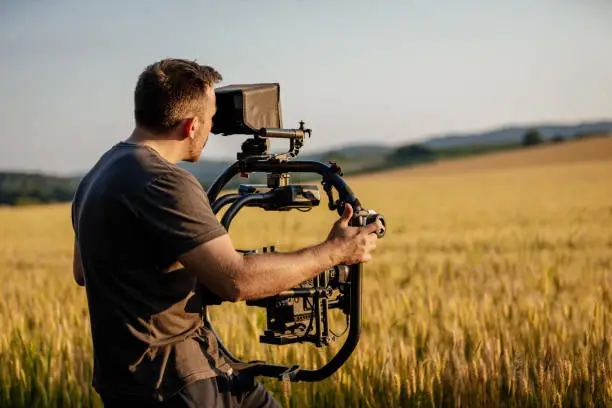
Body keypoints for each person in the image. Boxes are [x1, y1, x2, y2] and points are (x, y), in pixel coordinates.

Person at [71, 58, 382, 408]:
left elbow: (86, 272)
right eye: (211, 118)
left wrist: (191, 267)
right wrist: (335, 252)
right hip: (178, 385)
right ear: (190, 126)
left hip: (126, 384)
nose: (212, 129)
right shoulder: (165, 181)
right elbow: (236, 281)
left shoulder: (98, 174)